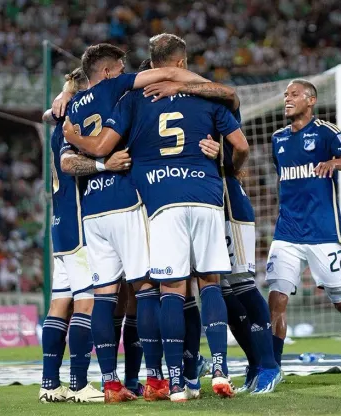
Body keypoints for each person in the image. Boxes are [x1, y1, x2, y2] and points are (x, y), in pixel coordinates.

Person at [61, 33, 250, 402]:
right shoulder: (184, 94)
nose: (124, 72)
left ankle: (136, 383)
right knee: (186, 284)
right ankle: (194, 374)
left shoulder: (88, 105)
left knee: (124, 294)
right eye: (118, 69)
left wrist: (74, 133)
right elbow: (235, 122)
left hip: (114, 208)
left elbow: (81, 155)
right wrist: (227, 166)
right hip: (170, 200)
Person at [142, 53, 282, 394]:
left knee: (239, 281)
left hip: (227, 195)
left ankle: (268, 365)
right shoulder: (161, 101)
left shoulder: (212, 94)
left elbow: (234, 101)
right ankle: (235, 364)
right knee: (213, 288)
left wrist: (226, 161)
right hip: (197, 199)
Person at [266, 79, 341, 377]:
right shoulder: (277, 139)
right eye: (285, 95)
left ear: (310, 100)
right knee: (277, 298)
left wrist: (335, 162)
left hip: (323, 234)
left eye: (294, 95)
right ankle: (272, 369)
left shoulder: (326, 131)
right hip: (287, 233)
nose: (287, 99)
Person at [38, 67, 128, 403]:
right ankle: (78, 384)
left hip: (59, 225)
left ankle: (50, 384)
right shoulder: (71, 124)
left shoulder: (58, 123)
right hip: (78, 224)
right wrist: (106, 165)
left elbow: (50, 112)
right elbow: (70, 165)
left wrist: (61, 97)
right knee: (86, 303)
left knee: (60, 302)